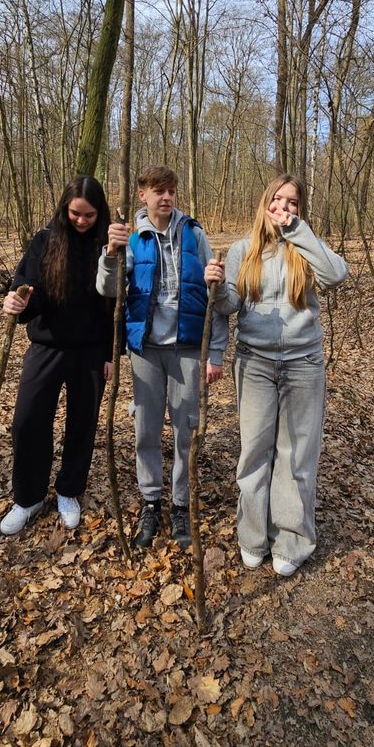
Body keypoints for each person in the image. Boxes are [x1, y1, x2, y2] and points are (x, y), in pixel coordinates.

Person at [204, 174, 348, 576]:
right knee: (254, 453)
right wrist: (216, 287)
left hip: (304, 364)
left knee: (296, 454)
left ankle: (291, 540)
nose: (283, 207)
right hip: (255, 364)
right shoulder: (242, 249)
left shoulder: (306, 247)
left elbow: (336, 275)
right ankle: (253, 536)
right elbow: (229, 305)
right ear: (265, 203)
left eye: (292, 202)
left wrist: (298, 232)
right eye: (277, 200)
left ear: (300, 209)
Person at [97, 164, 227, 550]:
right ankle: (151, 502)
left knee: (186, 430)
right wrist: (110, 253)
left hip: (186, 348)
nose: (166, 197)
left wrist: (214, 351)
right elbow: (107, 289)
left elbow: (215, 294)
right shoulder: (132, 237)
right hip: (147, 350)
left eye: (171, 190)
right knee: (146, 430)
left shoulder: (194, 233)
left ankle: (181, 504)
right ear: (143, 195)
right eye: (158, 191)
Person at [0, 176, 114, 535]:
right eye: (75, 213)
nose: (82, 221)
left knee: (82, 424)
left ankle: (69, 490)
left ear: (100, 213)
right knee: (28, 421)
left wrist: (111, 353)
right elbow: (26, 285)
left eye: (90, 215)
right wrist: (17, 301)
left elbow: (114, 305)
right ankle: (28, 497)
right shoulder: (45, 240)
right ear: (64, 209)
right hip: (46, 347)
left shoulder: (108, 246)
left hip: (90, 351)